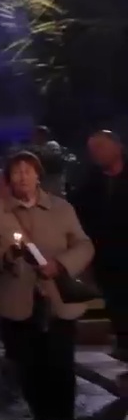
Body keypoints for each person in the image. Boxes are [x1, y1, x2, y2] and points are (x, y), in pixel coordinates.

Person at [0, 151, 94, 420]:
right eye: (17, 172)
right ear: (8, 179)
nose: (23, 176)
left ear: (38, 175)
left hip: (56, 303)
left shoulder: (62, 208)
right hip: (17, 302)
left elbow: (84, 244)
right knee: (28, 369)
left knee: (61, 367)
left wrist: (62, 264)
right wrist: (4, 256)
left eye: (28, 171)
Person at [70, 129, 128, 359]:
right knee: (118, 307)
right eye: (92, 150)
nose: (96, 154)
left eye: (100, 148)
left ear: (118, 147)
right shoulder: (90, 184)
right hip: (108, 260)